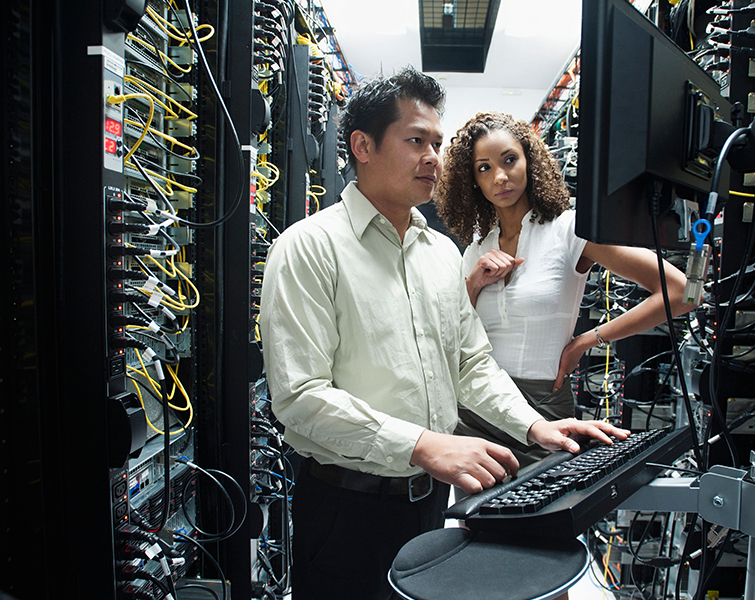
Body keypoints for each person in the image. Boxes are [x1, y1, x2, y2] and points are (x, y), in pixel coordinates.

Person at [259, 68, 627, 600]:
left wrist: (533, 427)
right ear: (363, 145)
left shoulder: (440, 254)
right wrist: (423, 444)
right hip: (348, 510)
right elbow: (300, 398)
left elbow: (471, 364)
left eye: (436, 142)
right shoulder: (309, 248)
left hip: (430, 504)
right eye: (415, 141)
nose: (433, 156)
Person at [435, 111, 695, 467]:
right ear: (472, 181)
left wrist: (590, 340)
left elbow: (679, 292)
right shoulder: (478, 247)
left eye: (510, 160)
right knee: (474, 522)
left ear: (530, 161)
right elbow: (453, 331)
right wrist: (475, 281)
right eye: (484, 168)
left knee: (540, 519)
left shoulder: (570, 230)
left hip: (545, 406)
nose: (500, 176)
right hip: (478, 408)